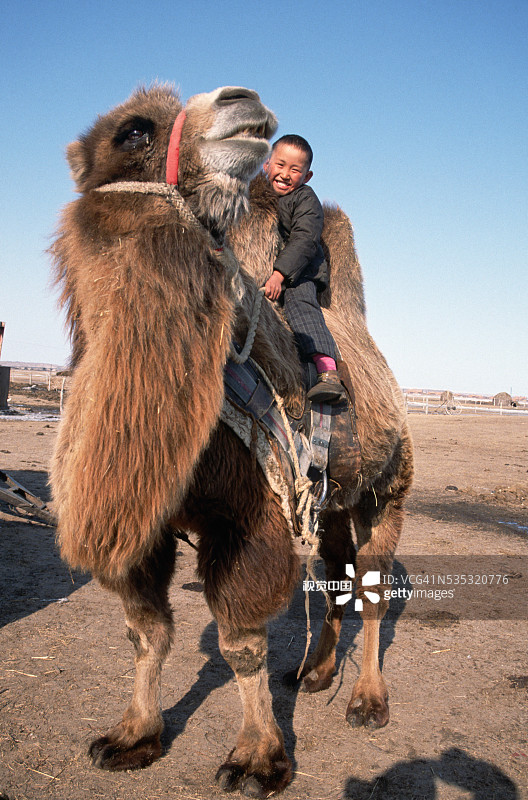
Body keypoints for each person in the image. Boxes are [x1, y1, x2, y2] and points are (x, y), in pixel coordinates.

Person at [262, 134, 346, 404]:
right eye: (280, 165)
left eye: (295, 170)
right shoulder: (257, 196)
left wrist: (280, 274)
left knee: (300, 304)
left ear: (307, 176)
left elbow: (304, 240)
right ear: (266, 165)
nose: (285, 174)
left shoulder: (305, 200)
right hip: (271, 266)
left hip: (301, 271)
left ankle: (327, 370)